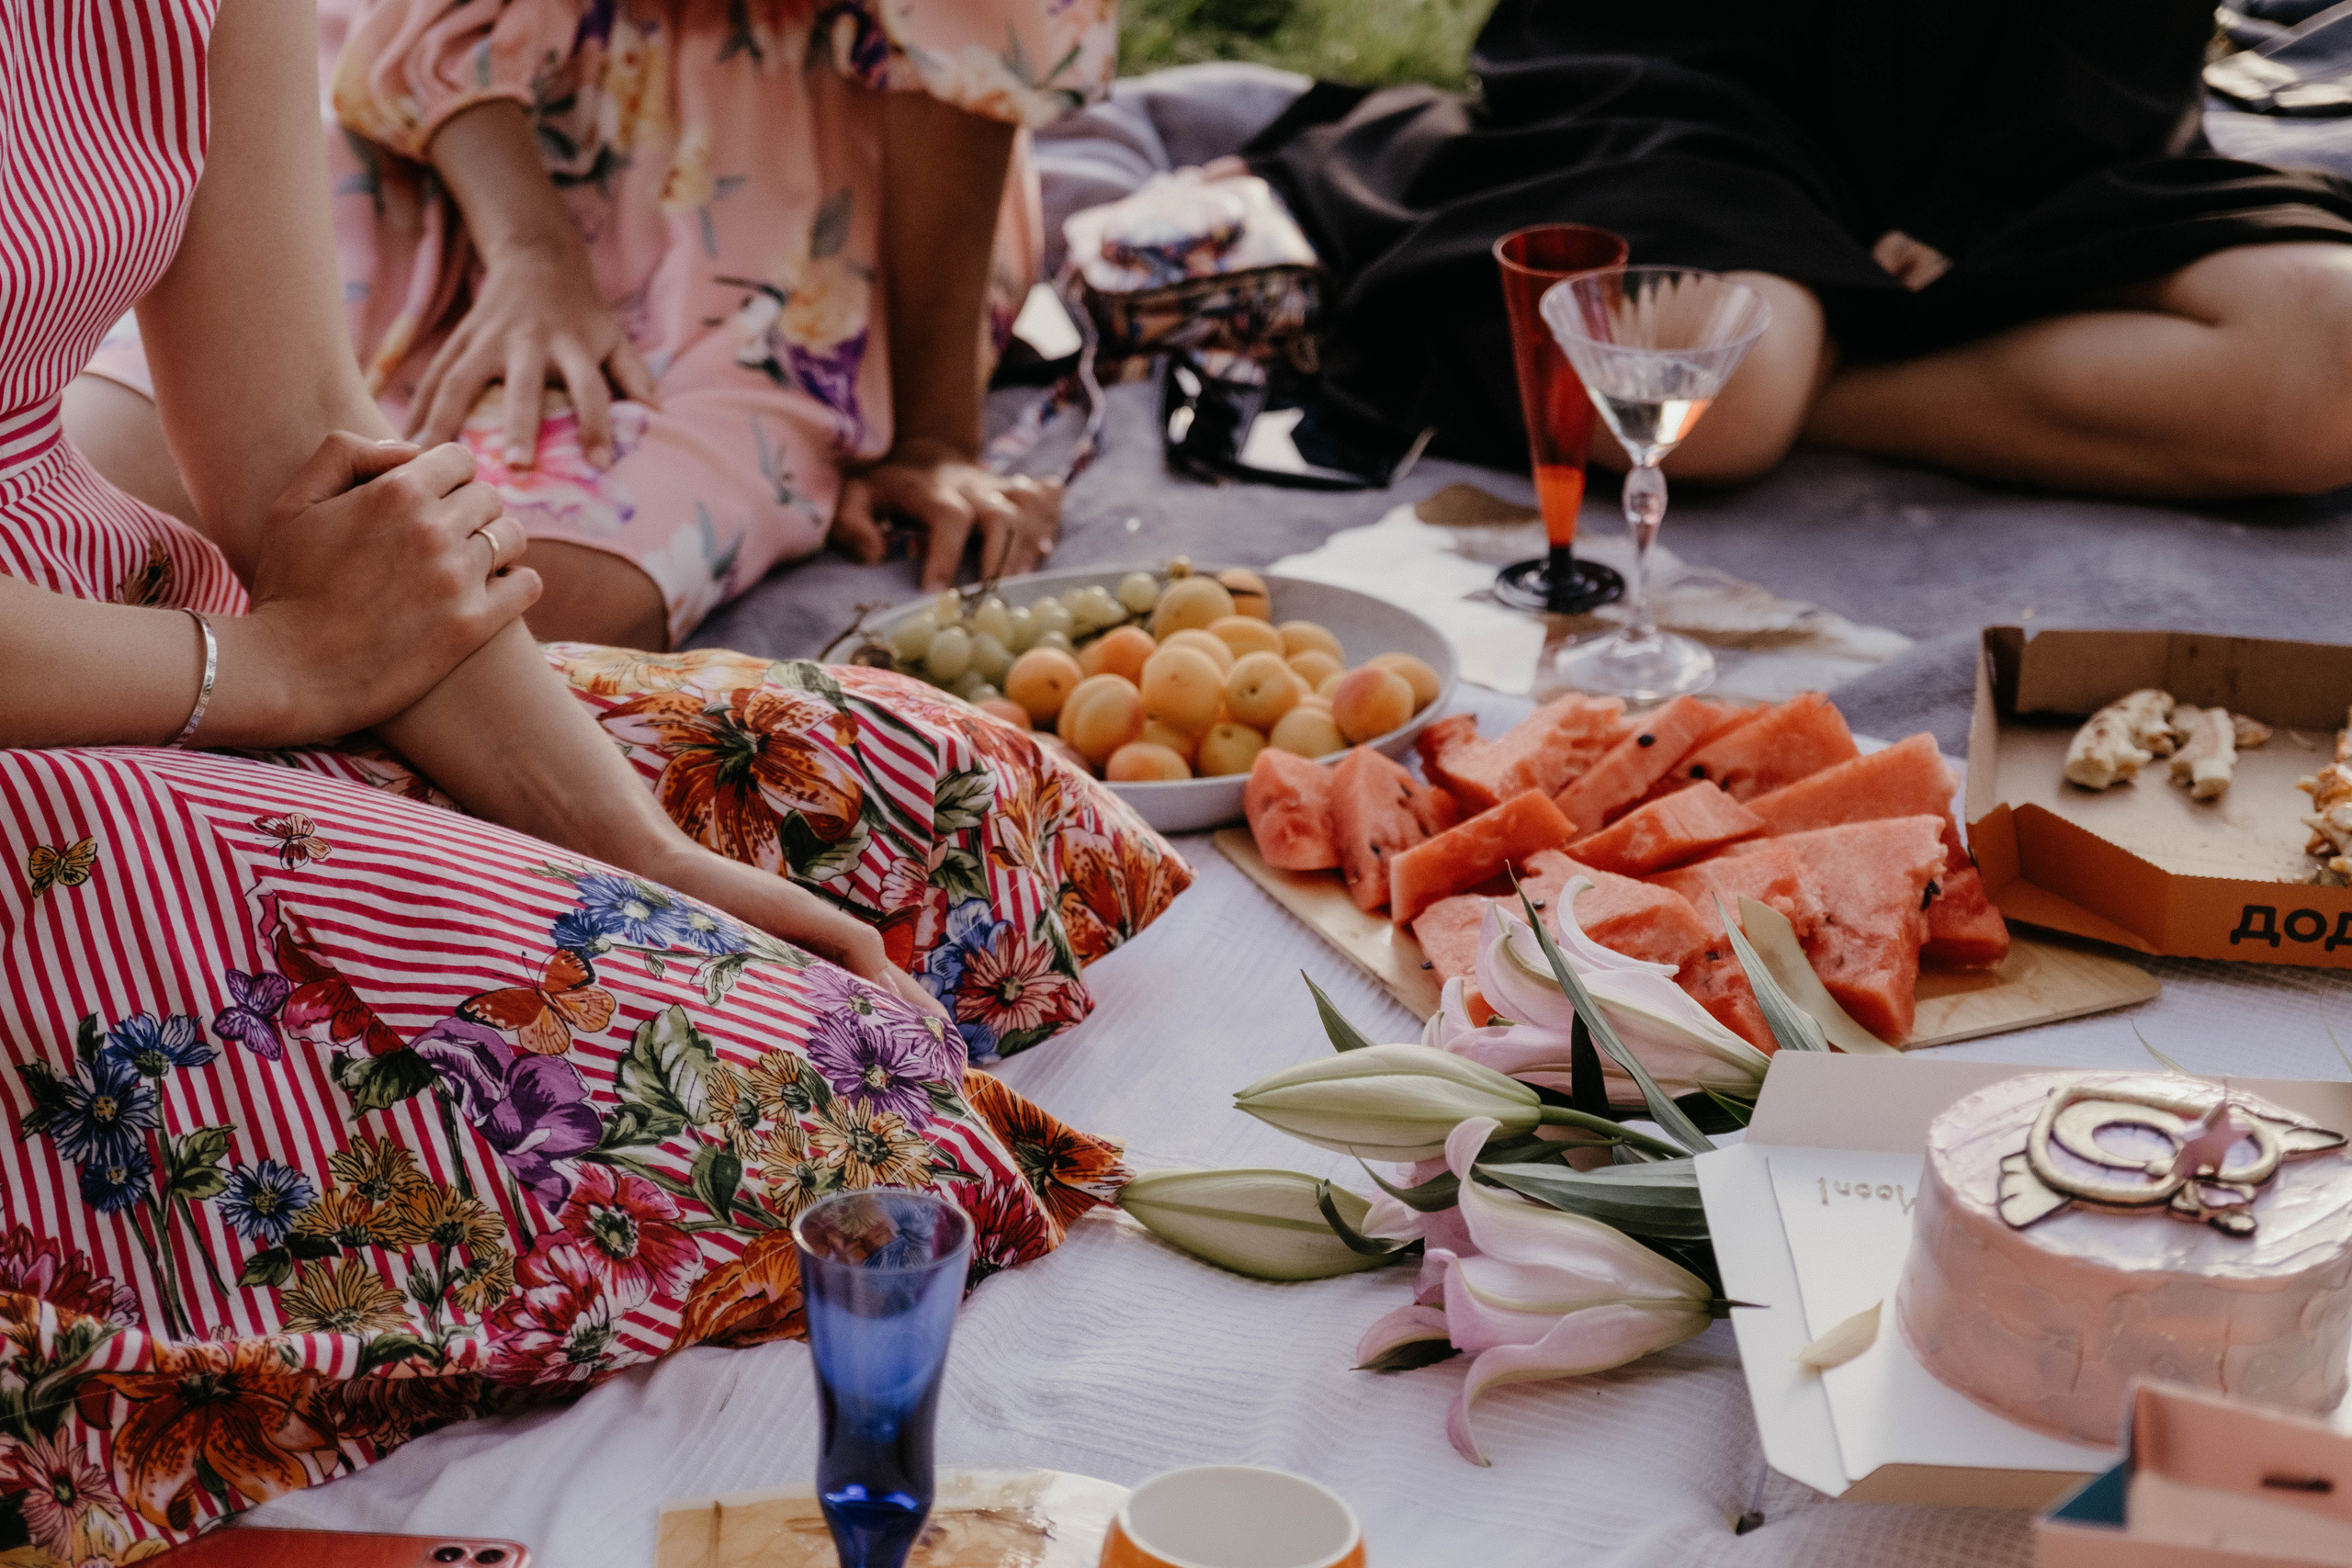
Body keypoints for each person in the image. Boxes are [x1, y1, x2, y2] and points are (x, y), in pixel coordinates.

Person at [0, 1, 1178, 1552]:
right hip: (55, 731)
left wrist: (643, 847)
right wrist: (275, 672)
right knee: (836, 1106)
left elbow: (308, 455)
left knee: (964, 817)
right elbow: (306, 636)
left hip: (117, 608)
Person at [67, 0, 1112, 648]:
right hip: (459, 123)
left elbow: (967, 52)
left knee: (545, 600)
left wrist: (934, 435)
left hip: (787, 179)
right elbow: (430, 30)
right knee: (98, 482)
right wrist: (532, 252)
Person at [1247, 0, 2352, 499]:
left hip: (2047, 130)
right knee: (1715, 398)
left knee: (2331, 349)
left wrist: (1982, 197)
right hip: (1709, 85)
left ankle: (1816, 359)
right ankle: (1780, 372)